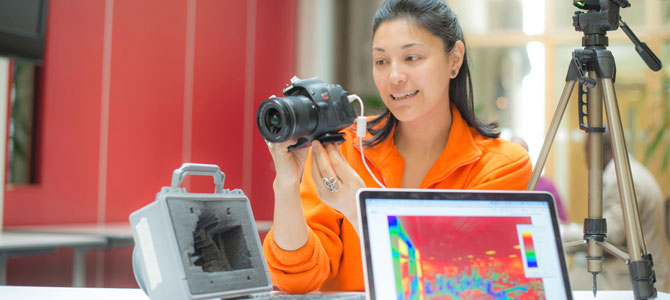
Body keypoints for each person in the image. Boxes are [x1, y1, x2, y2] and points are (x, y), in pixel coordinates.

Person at [262, 0, 532, 293]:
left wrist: (359, 210)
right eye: (381, 61)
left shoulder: (501, 165)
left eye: (412, 58)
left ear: (454, 59)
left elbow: (459, 286)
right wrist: (286, 185)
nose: (394, 76)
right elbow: (296, 278)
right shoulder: (348, 148)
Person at [562, 130, 670, 292]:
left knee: (565, 282)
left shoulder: (625, 180)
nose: (585, 161)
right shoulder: (628, 171)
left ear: (595, 152)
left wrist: (560, 233)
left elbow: (608, 237)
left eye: (586, 153)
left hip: (632, 279)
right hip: (635, 273)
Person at [511, 136, 569, 223]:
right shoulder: (498, 182)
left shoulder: (546, 186)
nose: (517, 160)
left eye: (521, 155)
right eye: (513, 155)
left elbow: (563, 221)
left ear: (528, 157)